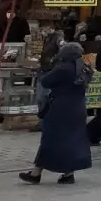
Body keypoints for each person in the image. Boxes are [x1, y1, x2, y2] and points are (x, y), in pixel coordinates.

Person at [19, 41, 93, 186]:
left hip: (60, 109)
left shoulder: (64, 68)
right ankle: (68, 174)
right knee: (72, 141)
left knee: (50, 140)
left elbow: (46, 81)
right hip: (78, 109)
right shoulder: (85, 68)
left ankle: (36, 174)